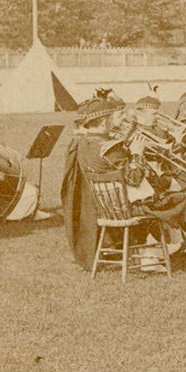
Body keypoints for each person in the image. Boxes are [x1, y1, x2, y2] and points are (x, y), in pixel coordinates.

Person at [58, 93, 128, 269]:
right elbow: (132, 176)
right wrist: (137, 153)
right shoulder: (104, 146)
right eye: (114, 118)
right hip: (119, 204)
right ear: (104, 122)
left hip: (104, 200)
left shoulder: (84, 143)